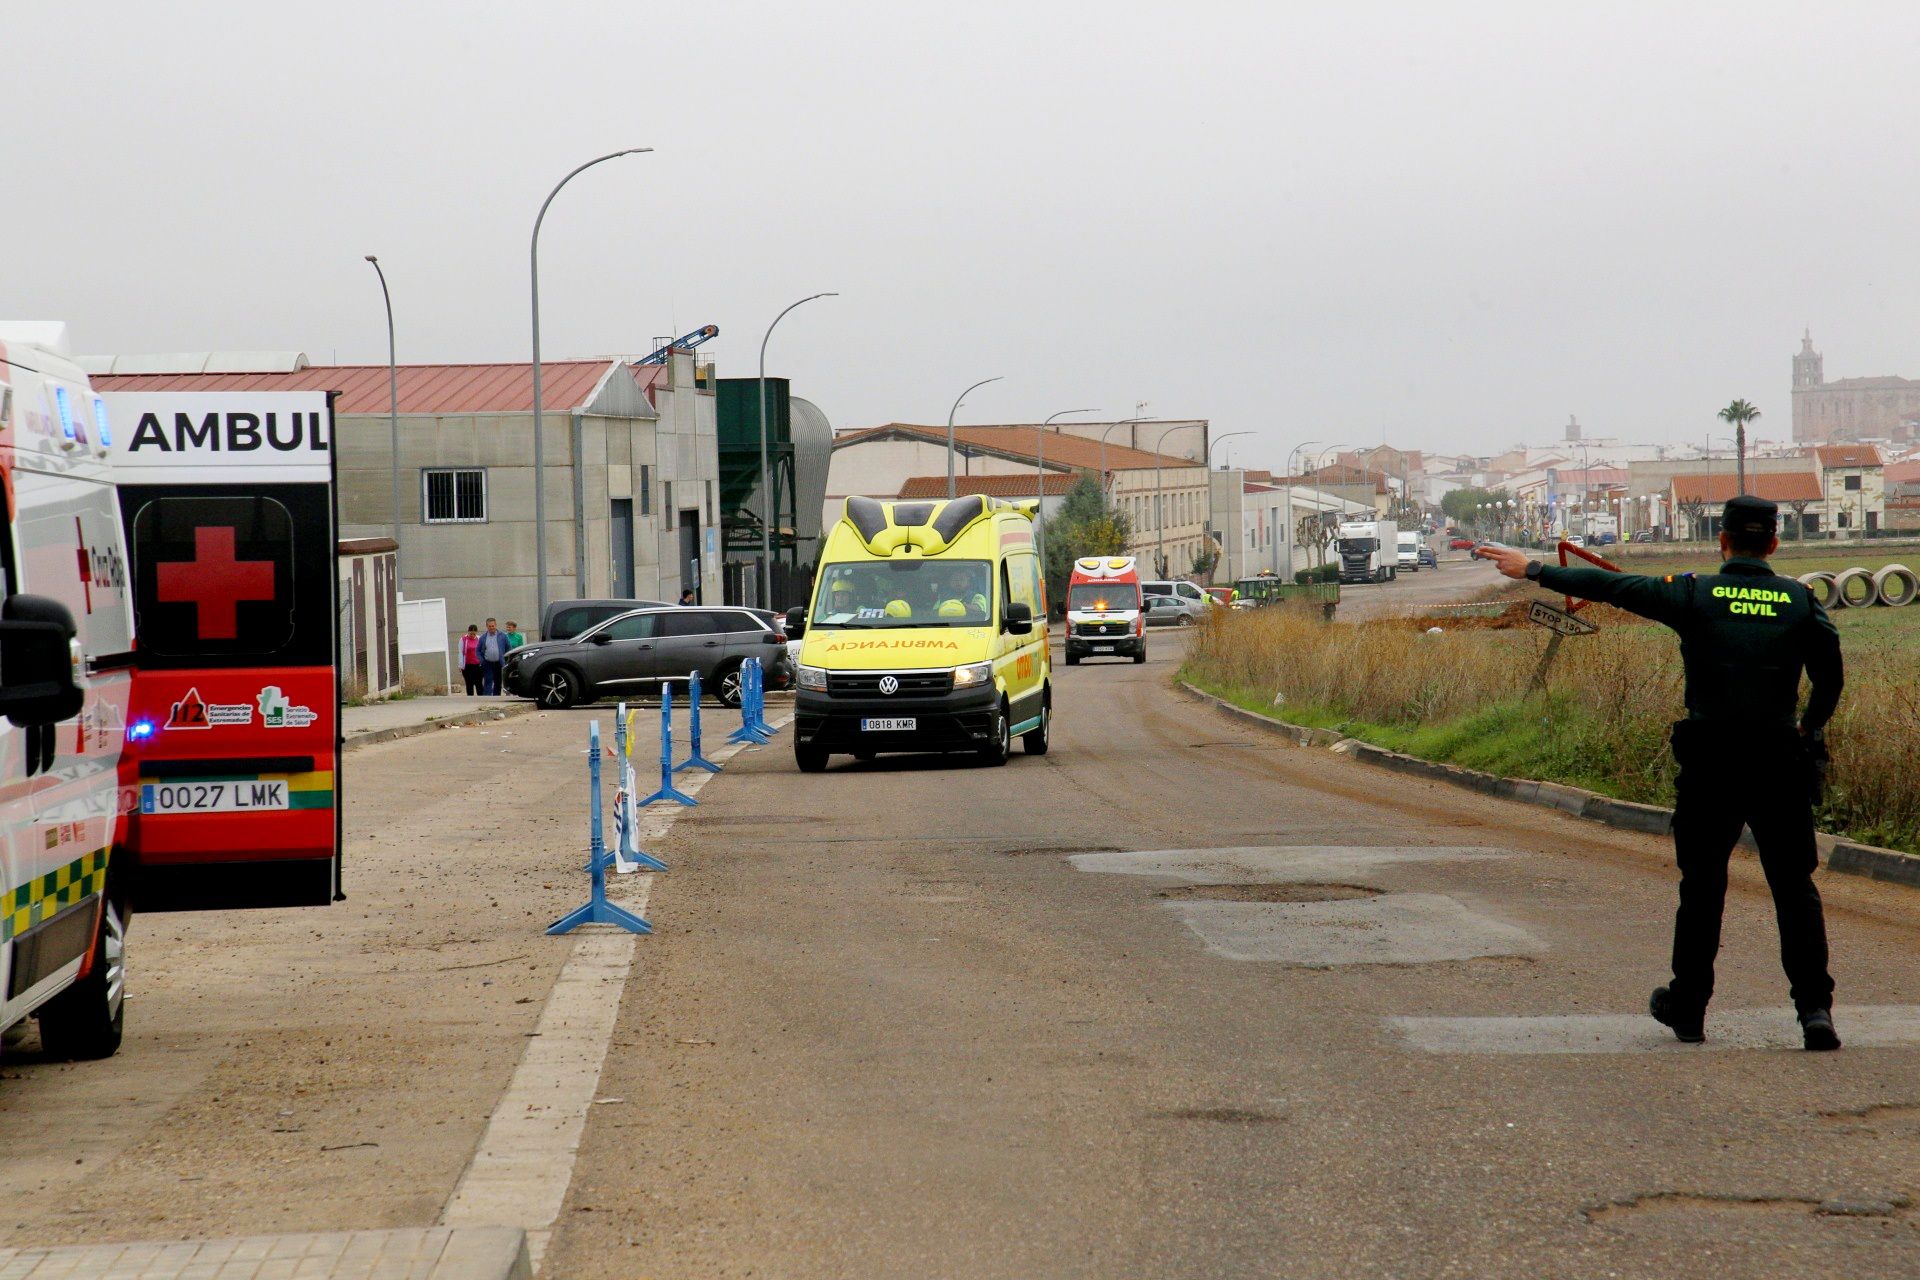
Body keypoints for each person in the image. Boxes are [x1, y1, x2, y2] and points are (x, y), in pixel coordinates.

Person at [1477, 495, 1844, 1050]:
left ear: (1722, 542)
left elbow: (1615, 588)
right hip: (1777, 760)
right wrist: (1809, 731)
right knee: (1794, 889)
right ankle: (1815, 1012)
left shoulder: (1694, 591)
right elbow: (1830, 677)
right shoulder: (1800, 600)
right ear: (1773, 543)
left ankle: (1690, 1009)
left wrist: (1532, 568)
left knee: (1702, 887)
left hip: (1711, 762)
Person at [476, 618, 511, 696]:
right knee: (488, 680)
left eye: (493, 626)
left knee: (498, 681)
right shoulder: (483, 637)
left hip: (499, 663)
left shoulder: (503, 636)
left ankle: (496, 698)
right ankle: (487, 698)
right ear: (486, 626)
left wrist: (506, 661)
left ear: (496, 625)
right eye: (489, 626)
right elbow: (478, 650)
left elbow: (509, 648)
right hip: (487, 663)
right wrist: (481, 660)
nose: (491, 628)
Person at [460, 625, 483, 696]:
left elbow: (483, 651)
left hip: (478, 665)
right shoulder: (463, 639)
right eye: (470, 633)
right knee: (469, 683)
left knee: (479, 683)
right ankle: (470, 699)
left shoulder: (479, 639)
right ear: (468, 632)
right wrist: (460, 665)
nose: (472, 635)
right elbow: (460, 652)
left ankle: (481, 699)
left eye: (474, 634)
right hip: (467, 665)